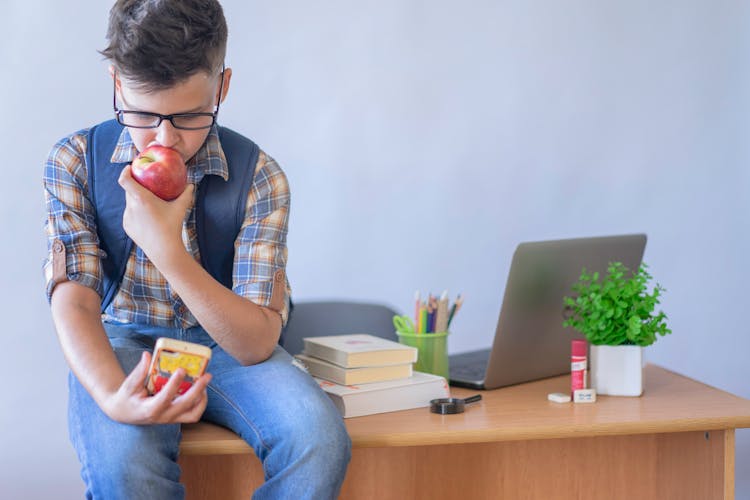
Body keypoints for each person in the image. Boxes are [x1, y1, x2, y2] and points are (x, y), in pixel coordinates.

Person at [42, 1, 351, 498]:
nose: (166, 138)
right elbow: (74, 298)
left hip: (229, 343)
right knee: (125, 467)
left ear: (222, 88)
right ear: (117, 83)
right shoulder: (75, 161)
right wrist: (111, 397)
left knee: (318, 439)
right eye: (143, 114)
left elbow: (254, 343)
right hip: (124, 343)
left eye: (189, 115)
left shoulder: (259, 177)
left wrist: (167, 250)